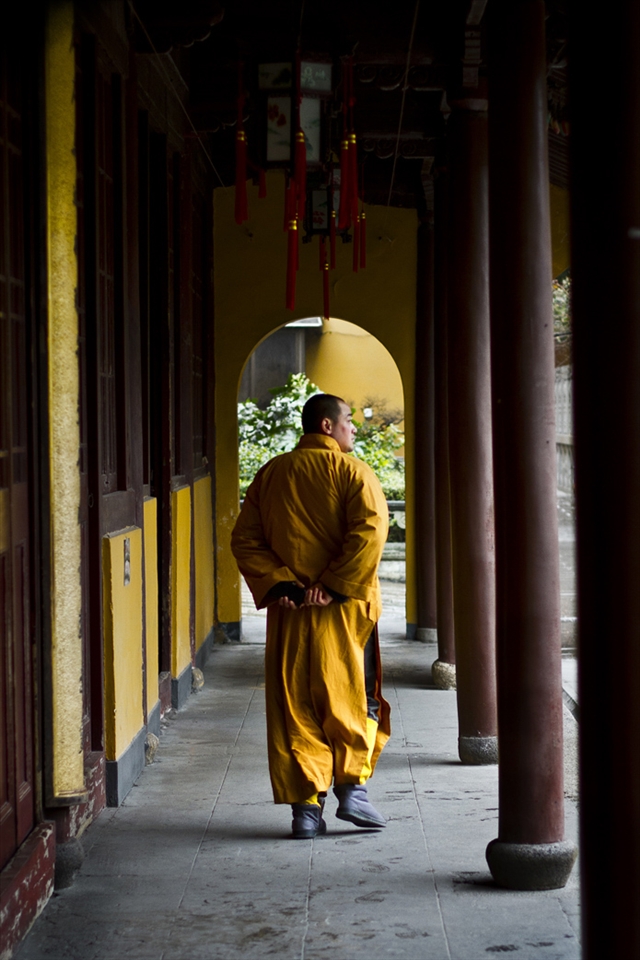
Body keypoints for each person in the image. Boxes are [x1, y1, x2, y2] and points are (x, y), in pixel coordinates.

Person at [231, 393, 391, 839]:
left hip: (290, 612)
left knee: (294, 705)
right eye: (348, 421)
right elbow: (371, 532)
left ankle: (305, 810)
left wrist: (281, 583)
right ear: (326, 426)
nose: (353, 429)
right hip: (342, 611)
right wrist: (335, 584)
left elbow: (245, 539)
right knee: (351, 697)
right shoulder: (352, 471)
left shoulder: (271, 474)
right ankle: (352, 789)